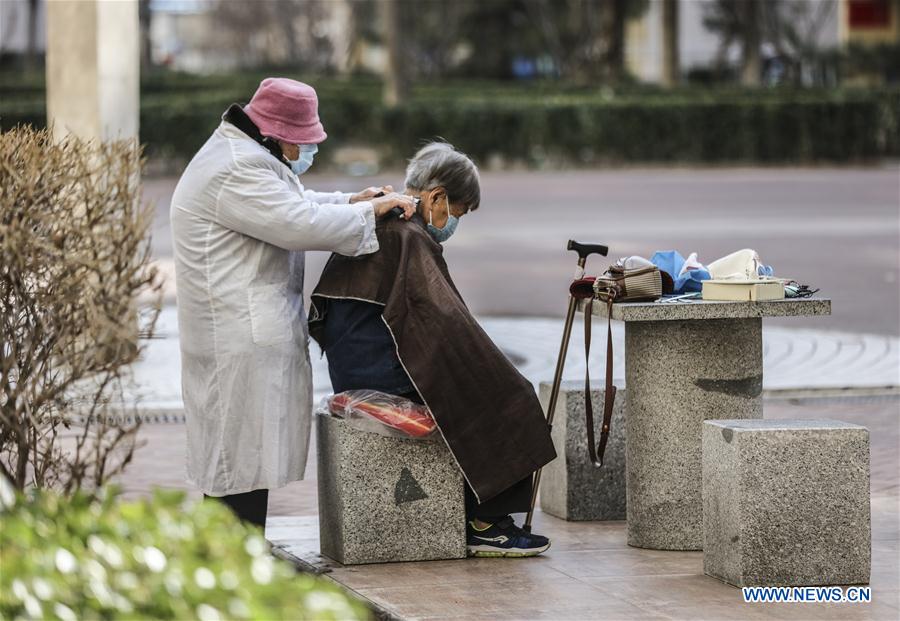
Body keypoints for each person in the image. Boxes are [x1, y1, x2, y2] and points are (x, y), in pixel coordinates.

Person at [170, 78, 416, 528]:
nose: (309, 151)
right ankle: (233, 567)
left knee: (241, 457)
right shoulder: (235, 168)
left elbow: (293, 201)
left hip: (238, 333)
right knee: (237, 463)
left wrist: (353, 200)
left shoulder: (245, 155)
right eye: (305, 143)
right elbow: (295, 221)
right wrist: (369, 213)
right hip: (235, 337)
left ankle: (235, 561)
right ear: (281, 135)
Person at [309, 142, 556, 557]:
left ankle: (479, 513)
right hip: (384, 369)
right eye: (457, 212)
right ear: (437, 196)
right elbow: (444, 323)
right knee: (511, 395)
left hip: (354, 362)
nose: (454, 221)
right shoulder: (408, 236)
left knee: (486, 383)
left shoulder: (379, 224)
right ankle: (486, 523)